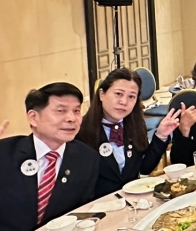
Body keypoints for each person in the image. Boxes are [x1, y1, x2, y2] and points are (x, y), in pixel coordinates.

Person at [0, 83, 98, 230]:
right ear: (33, 117)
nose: (72, 118)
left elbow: (84, 211)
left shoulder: (87, 158)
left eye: (76, 111)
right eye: (61, 111)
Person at [77, 68, 180, 197]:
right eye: (118, 94)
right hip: (98, 204)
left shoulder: (135, 125)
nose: (124, 102)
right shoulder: (81, 131)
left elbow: (144, 169)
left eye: (131, 96)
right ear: (101, 94)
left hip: (133, 200)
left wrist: (161, 135)